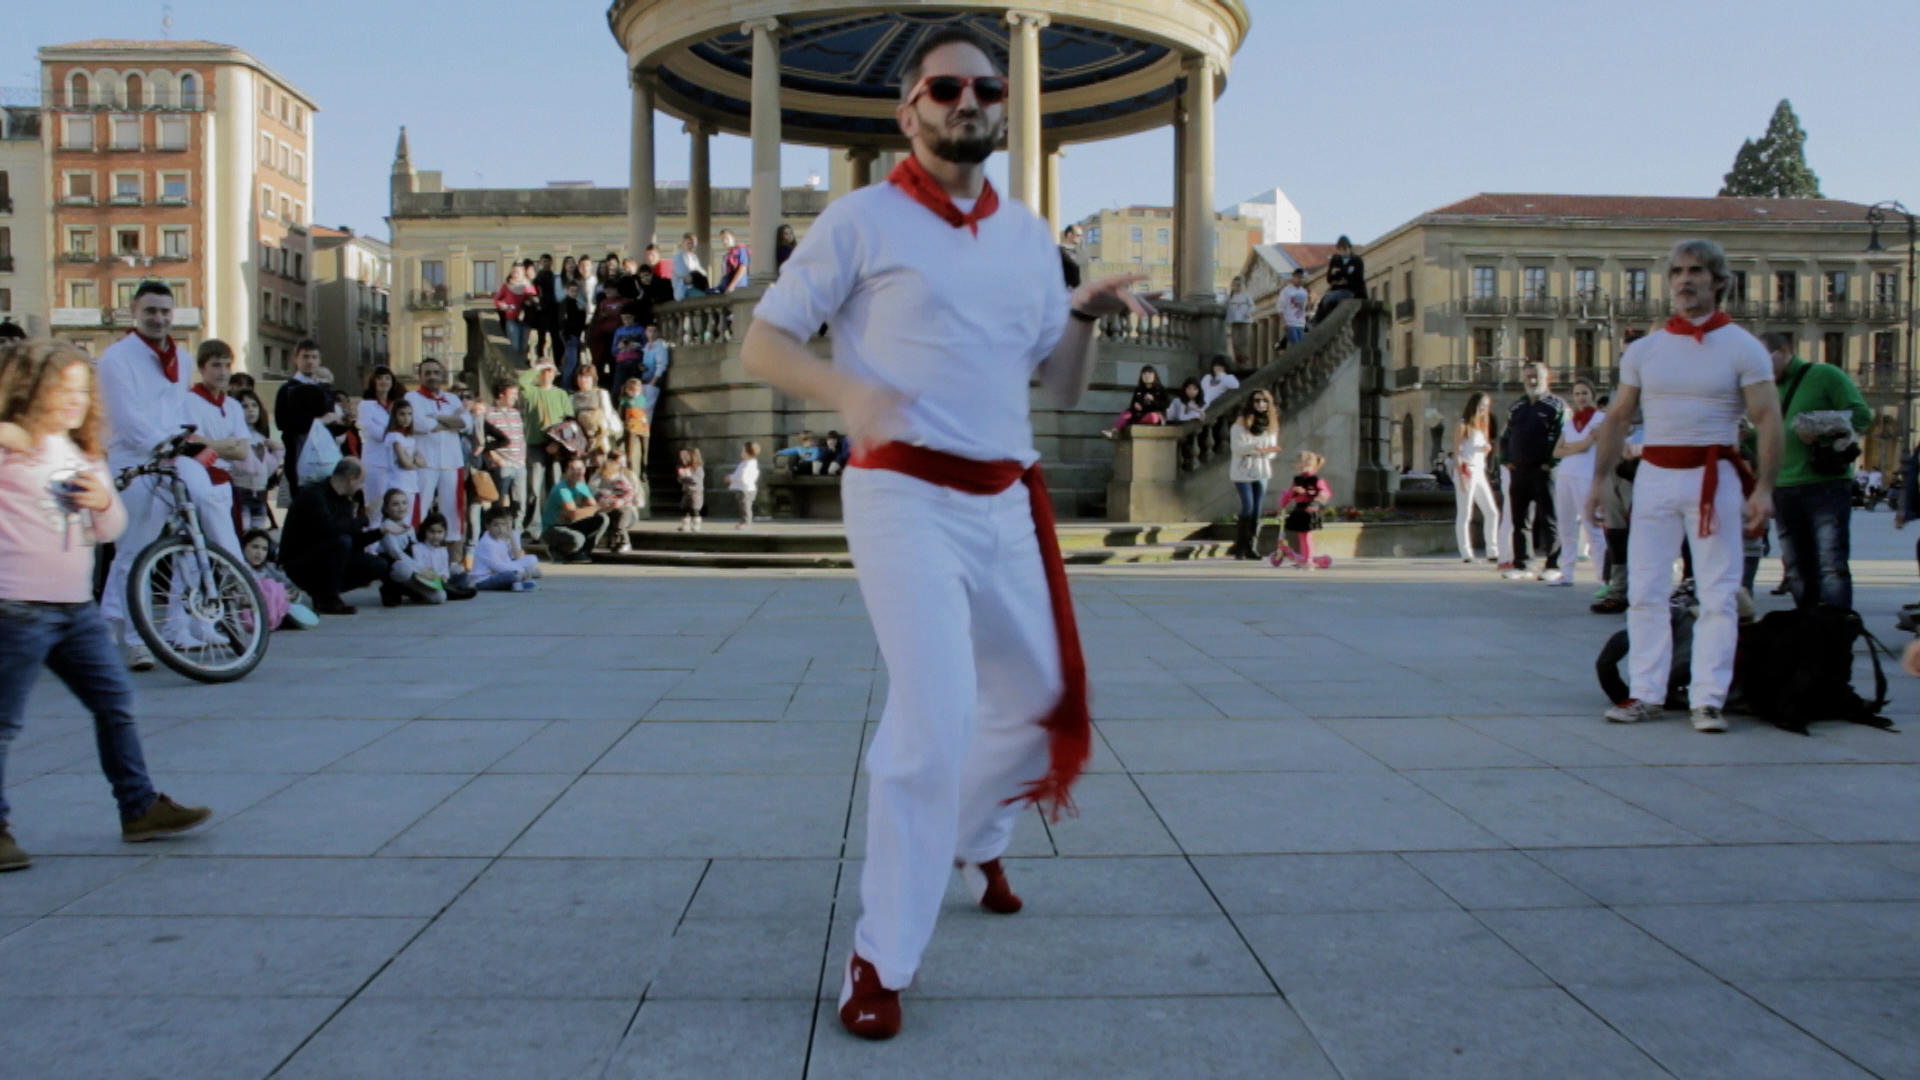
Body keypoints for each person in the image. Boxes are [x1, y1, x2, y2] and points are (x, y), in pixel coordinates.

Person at [740, 25, 1150, 1040]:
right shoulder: (860, 220)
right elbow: (762, 341)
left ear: (1002, 108)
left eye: (986, 87)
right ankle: (881, 956)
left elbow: (1057, 386)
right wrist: (849, 392)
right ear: (910, 109)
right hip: (904, 495)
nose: (968, 101)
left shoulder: (1026, 232)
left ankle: (973, 836)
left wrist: (1085, 312)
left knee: (1044, 701)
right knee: (935, 719)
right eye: (946, 86)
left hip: (1006, 499)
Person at [0, 340, 214, 871]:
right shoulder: (13, 443)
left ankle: (138, 807)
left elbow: (113, 527)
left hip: (76, 610)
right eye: (62, 389)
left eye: (82, 390)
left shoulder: (83, 451)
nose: (75, 400)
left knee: (115, 701)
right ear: (33, 389)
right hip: (16, 607)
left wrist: (101, 504)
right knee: (4, 721)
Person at [1585, 239, 1783, 734]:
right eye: (1677, 272)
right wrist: (1599, 480)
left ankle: (1708, 699)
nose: (1684, 280)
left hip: (1713, 478)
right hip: (1655, 476)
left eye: (1695, 271)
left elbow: (1767, 419)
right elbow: (1620, 417)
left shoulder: (1742, 347)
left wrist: (1764, 489)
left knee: (1718, 593)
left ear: (1718, 281)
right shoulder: (1646, 350)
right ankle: (1646, 692)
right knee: (1645, 590)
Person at [98, 282, 245, 669]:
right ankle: (133, 639)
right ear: (135, 310)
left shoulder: (181, 356)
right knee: (134, 551)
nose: (159, 318)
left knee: (206, 501)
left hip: (174, 456)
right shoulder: (115, 359)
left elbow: (182, 414)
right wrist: (166, 447)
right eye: (151, 311)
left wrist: (195, 448)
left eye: (165, 311)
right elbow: (127, 419)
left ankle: (211, 592)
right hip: (134, 458)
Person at [1764, 331, 1871, 611]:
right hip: (1784, 486)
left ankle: (1837, 633)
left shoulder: (1825, 375)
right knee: (1797, 568)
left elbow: (1861, 416)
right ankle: (1810, 632)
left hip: (1826, 484)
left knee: (1831, 563)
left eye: (1764, 360)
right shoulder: (1764, 388)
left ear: (1785, 350)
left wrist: (1819, 429)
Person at [278, 459, 386, 614]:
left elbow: (353, 540)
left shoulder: (345, 502)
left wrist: (380, 532)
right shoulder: (313, 494)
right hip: (299, 561)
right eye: (361, 482)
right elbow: (331, 529)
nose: (361, 487)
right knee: (341, 542)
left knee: (378, 565)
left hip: (327, 558)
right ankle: (328, 598)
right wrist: (364, 519)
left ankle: (322, 593)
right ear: (351, 479)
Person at [1501, 361, 1566, 582]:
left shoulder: (1557, 406)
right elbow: (1506, 435)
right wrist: (1506, 460)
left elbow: (1563, 435)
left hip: (1544, 471)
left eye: (1537, 376)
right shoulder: (1517, 407)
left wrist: (1551, 462)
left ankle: (1553, 564)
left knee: (1550, 518)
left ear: (1548, 378)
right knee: (1520, 521)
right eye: (1528, 376)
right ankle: (1522, 564)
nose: (1532, 380)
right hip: (1519, 471)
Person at [181, 340, 252, 541]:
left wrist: (211, 445)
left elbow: (242, 452)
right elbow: (193, 445)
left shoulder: (234, 406)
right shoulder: (190, 400)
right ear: (202, 367)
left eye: (227, 365)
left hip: (226, 482)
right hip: (201, 483)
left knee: (230, 547)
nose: (223, 372)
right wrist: (227, 443)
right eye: (215, 365)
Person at [405, 359, 471, 547]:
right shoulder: (412, 398)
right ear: (420, 376)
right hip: (425, 460)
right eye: (427, 373)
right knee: (420, 506)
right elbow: (418, 424)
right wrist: (451, 422)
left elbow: (467, 423)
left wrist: (436, 418)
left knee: (452, 509)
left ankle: (452, 556)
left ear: (442, 375)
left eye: (435, 372)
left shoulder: (452, 399)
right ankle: (415, 545)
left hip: (451, 460)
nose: (432, 377)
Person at [1548, 379, 1608, 588]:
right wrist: (1576, 447)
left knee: (1592, 526)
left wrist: (1571, 448)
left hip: (1585, 475)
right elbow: (1556, 451)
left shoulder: (1600, 418)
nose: (1581, 397)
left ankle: (1603, 575)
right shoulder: (1571, 420)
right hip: (1565, 475)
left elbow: (1585, 446)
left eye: (1584, 393)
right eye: (1577, 394)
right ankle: (1567, 572)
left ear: (1592, 394)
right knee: (1566, 526)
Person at [273, 339, 343, 498]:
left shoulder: (324, 389)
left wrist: (343, 423)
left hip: (325, 458)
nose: (310, 361)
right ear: (295, 359)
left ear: (320, 360)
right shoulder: (287, 389)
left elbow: (331, 429)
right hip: (299, 455)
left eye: (313, 357)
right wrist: (317, 422)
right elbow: (282, 423)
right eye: (305, 357)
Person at [1226, 389, 1281, 560]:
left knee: (1257, 510)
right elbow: (1237, 448)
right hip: (1243, 469)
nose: (1260, 404)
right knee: (1248, 507)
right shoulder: (1241, 422)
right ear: (1251, 403)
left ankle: (1251, 546)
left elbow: (1272, 449)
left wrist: (1267, 452)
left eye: (1264, 401)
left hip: (1261, 469)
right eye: (1257, 401)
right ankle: (1240, 547)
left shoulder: (1271, 424)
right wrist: (1256, 448)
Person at [520, 362, 574, 535]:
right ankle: (532, 527)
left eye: (550, 371)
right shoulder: (533, 392)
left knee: (555, 486)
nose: (547, 374)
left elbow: (569, 420)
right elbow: (522, 382)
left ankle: (554, 524)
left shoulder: (561, 394)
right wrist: (536, 367)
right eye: (544, 371)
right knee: (534, 488)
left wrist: (558, 443)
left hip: (556, 445)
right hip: (535, 444)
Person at [1454, 392, 1501, 563]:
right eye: (1482, 405)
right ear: (1474, 406)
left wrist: (1486, 448)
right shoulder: (1463, 425)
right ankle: (1466, 552)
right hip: (1467, 470)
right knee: (1465, 513)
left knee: (1492, 511)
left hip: (1480, 470)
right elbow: (1458, 453)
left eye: (1487, 405)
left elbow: (1480, 448)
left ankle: (1492, 550)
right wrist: (1461, 478)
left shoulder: (1482, 427)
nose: (1485, 409)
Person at [228, 390, 283, 532]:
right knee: (243, 531)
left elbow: (267, 468)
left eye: (254, 405)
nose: (251, 410)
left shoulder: (259, 436)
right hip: (241, 492)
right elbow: (245, 465)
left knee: (257, 533)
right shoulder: (235, 437)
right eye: (245, 406)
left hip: (260, 493)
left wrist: (278, 450)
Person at [541, 456, 610, 561]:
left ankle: (582, 552)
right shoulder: (561, 489)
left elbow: (594, 508)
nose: (577, 472)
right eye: (572, 469)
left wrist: (608, 505)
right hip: (553, 529)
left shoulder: (582, 486)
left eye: (580, 469)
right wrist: (598, 507)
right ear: (566, 471)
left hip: (570, 525)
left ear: (584, 470)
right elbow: (573, 515)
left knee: (602, 518)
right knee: (578, 539)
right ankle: (556, 550)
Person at [1274, 451, 1333, 570]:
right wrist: (1285, 499)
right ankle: (1306, 557)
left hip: (1309, 509)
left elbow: (1323, 493)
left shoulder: (1315, 479)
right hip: (1300, 509)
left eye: (1301, 463)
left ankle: (1308, 559)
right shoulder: (1298, 479)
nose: (1299, 465)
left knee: (1306, 536)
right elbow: (1292, 492)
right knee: (1302, 535)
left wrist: (1307, 493)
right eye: (1298, 463)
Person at [483, 380, 528, 529]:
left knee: (519, 502)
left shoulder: (515, 413)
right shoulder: (489, 414)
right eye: (512, 393)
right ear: (501, 394)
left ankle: (517, 533)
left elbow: (520, 437)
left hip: (519, 464)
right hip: (503, 464)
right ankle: (498, 532)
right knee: (500, 502)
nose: (516, 397)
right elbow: (485, 441)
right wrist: (497, 459)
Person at [357, 366, 403, 504]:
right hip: (375, 463)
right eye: (379, 378)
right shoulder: (366, 405)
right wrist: (396, 429)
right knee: (375, 505)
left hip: (395, 463)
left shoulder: (397, 405)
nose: (384, 381)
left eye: (387, 378)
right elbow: (376, 434)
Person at [380, 399, 425, 525]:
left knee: (410, 521)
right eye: (402, 414)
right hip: (398, 484)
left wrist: (412, 461)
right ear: (395, 416)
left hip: (411, 484)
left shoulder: (410, 437)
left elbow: (423, 462)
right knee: (399, 520)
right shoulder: (393, 436)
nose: (406, 418)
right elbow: (405, 463)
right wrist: (413, 462)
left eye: (409, 414)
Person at [471, 509, 541, 590]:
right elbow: (499, 567)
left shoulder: (501, 541)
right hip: (484, 579)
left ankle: (517, 584)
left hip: (499, 572)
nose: (500, 528)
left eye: (503, 525)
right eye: (496, 525)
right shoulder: (486, 543)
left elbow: (507, 562)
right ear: (488, 526)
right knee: (513, 575)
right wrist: (521, 571)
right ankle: (519, 580)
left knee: (532, 559)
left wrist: (520, 569)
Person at [592, 451, 643, 553]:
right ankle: (614, 542)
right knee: (609, 520)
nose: (622, 466)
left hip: (625, 509)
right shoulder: (600, 475)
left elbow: (633, 496)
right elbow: (594, 491)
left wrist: (622, 501)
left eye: (624, 463)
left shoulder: (624, 479)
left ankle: (625, 543)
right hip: (609, 508)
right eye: (619, 463)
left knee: (620, 525)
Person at [1102, 365, 1170, 438]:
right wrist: (1136, 406)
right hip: (1139, 413)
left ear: (1155, 376)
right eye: (1144, 374)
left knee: (1152, 417)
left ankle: (1131, 423)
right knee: (1126, 413)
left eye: (1150, 374)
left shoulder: (1160, 389)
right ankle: (1114, 431)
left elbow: (1166, 404)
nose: (1147, 376)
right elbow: (1132, 404)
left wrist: (1153, 400)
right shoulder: (1139, 389)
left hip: (1155, 414)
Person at [1313, 235, 1367, 324]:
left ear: (1349, 248)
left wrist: (1341, 275)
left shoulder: (1357, 260)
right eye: (1340, 250)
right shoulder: (1336, 259)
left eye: (1345, 249)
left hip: (1352, 291)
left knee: (1330, 299)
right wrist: (1340, 278)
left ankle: (1324, 322)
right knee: (1324, 300)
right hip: (1337, 289)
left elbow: (1357, 279)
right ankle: (1317, 321)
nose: (1343, 252)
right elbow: (1330, 278)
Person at [493, 263, 534, 359]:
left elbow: (534, 299)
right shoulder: (507, 286)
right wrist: (504, 306)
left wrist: (530, 301)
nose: (515, 274)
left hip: (526, 319)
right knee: (514, 345)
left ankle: (521, 367)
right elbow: (496, 300)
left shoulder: (527, 285)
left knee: (524, 346)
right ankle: (515, 365)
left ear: (523, 273)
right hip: (511, 319)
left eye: (517, 272)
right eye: (513, 272)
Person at [618, 378, 651, 479]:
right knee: (629, 450)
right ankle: (630, 468)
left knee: (645, 449)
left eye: (638, 389)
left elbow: (644, 410)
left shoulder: (642, 399)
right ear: (627, 390)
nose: (635, 392)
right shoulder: (624, 399)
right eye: (632, 390)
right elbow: (620, 412)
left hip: (643, 423)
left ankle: (644, 471)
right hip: (631, 423)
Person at [610, 306, 648, 391]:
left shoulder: (640, 330)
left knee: (633, 387)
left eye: (628, 318)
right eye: (623, 318)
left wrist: (637, 347)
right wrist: (619, 347)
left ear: (633, 317)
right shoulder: (619, 331)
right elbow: (613, 350)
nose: (626, 321)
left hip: (635, 361)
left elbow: (647, 347)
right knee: (617, 388)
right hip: (621, 361)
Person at [727, 441, 761, 528]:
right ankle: (743, 521)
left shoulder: (748, 464)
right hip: (746, 488)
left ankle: (746, 522)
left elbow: (741, 475)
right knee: (743, 506)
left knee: (745, 506)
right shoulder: (748, 463)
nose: (741, 453)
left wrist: (731, 478)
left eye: (743, 451)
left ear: (748, 453)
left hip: (745, 489)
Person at [640, 324, 671, 419]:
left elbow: (661, 365)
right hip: (645, 379)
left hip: (653, 381)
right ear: (646, 332)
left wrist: (653, 382)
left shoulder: (660, 345)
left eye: (654, 331)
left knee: (648, 409)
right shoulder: (647, 346)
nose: (652, 334)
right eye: (649, 331)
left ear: (658, 333)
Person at [1225, 276, 1254, 371]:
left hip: (1245, 322)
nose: (1237, 287)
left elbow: (1253, 307)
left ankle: (1245, 362)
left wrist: (1249, 313)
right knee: (1235, 343)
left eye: (1239, 285)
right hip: (1234, 322)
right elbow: (1223, 306)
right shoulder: (1230, 297)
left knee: (1244, 343)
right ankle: (1238, 362)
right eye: (1235, 285)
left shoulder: (1246, 295)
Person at [676, 445, 706, 531]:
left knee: (694, 509)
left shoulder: (698, 468)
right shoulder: (686, 468)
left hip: (695, 492)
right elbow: (680, 480)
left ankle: (696, 524)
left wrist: (689, 476)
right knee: (684, 508)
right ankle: (685, 524)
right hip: (686, 491)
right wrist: (682, 476)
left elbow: (697, 480)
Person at [1279, 268, 1311, 347]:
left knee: (1302, 345)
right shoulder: (1286, 291)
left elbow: (1304, 307)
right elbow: (1280, 307)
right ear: (1293, 277)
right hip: (1290, 322)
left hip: (1300, 323)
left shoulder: (1303, 292)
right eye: (1298, 277)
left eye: (1301, 278)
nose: (1300, 280)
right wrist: (1283, 322)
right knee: (1296, 345)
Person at [673, 233, 707, 300]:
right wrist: (693, 276)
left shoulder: (694, 258)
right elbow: (683, 273)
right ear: (683, 243)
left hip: (695, 287)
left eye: (691, 243)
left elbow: (703, 273)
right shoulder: (678, 258)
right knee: (702, 296)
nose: (690, 245)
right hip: (684, 290)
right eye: (688, 243)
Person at [1057, 223, 1083, 289]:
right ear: (1069, 235)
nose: (1080, 238)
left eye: (1081, 236)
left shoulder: (1081, 253)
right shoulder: (1057, 251)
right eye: (1078, 235)